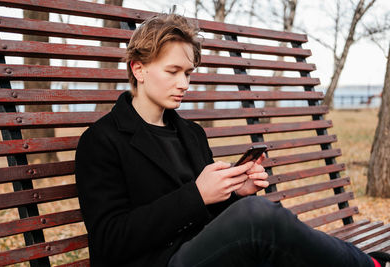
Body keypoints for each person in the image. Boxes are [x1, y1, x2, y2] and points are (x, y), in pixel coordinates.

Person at [75, 13, 390, 267]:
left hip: (208, 253)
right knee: (257, 216)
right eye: (172, 71)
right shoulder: (102, 141)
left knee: (257, 216)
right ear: (138, 69)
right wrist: (198, 195)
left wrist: (234, 193)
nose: (183, 83)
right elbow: (109, 241)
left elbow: (208, 217)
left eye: (188, 73)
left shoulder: (192, 134)